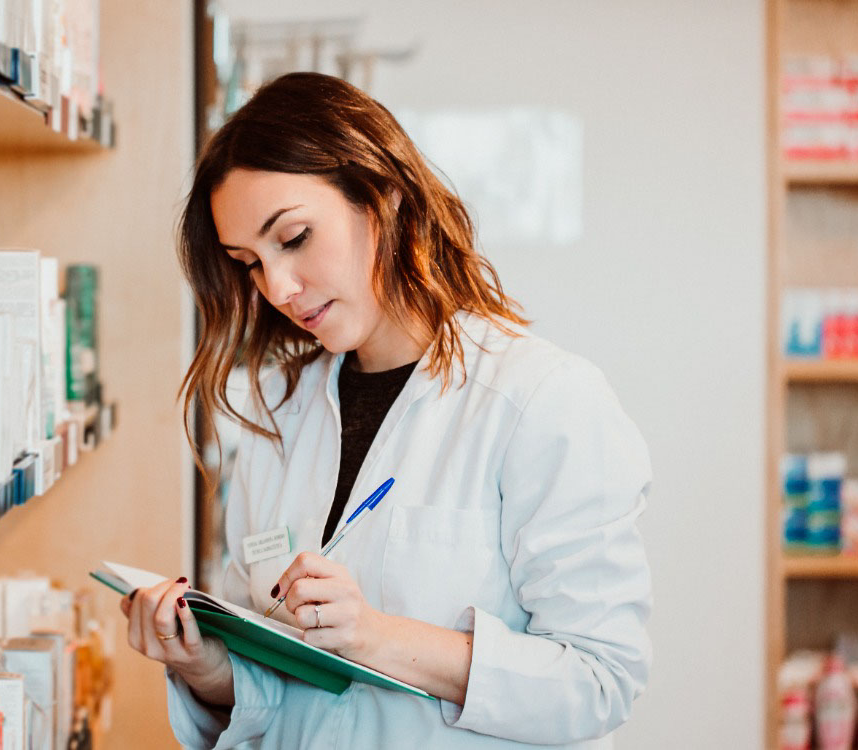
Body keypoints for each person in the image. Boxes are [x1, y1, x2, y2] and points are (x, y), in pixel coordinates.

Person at [119, 71, 652, 749]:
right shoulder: (279, 410)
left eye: (294, 238)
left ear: (383, 197)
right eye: (248, 263)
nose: (277, 286)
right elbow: (282, 682)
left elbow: (599, 681)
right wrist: (207, 666)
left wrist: (375, 636)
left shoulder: (542, 401)